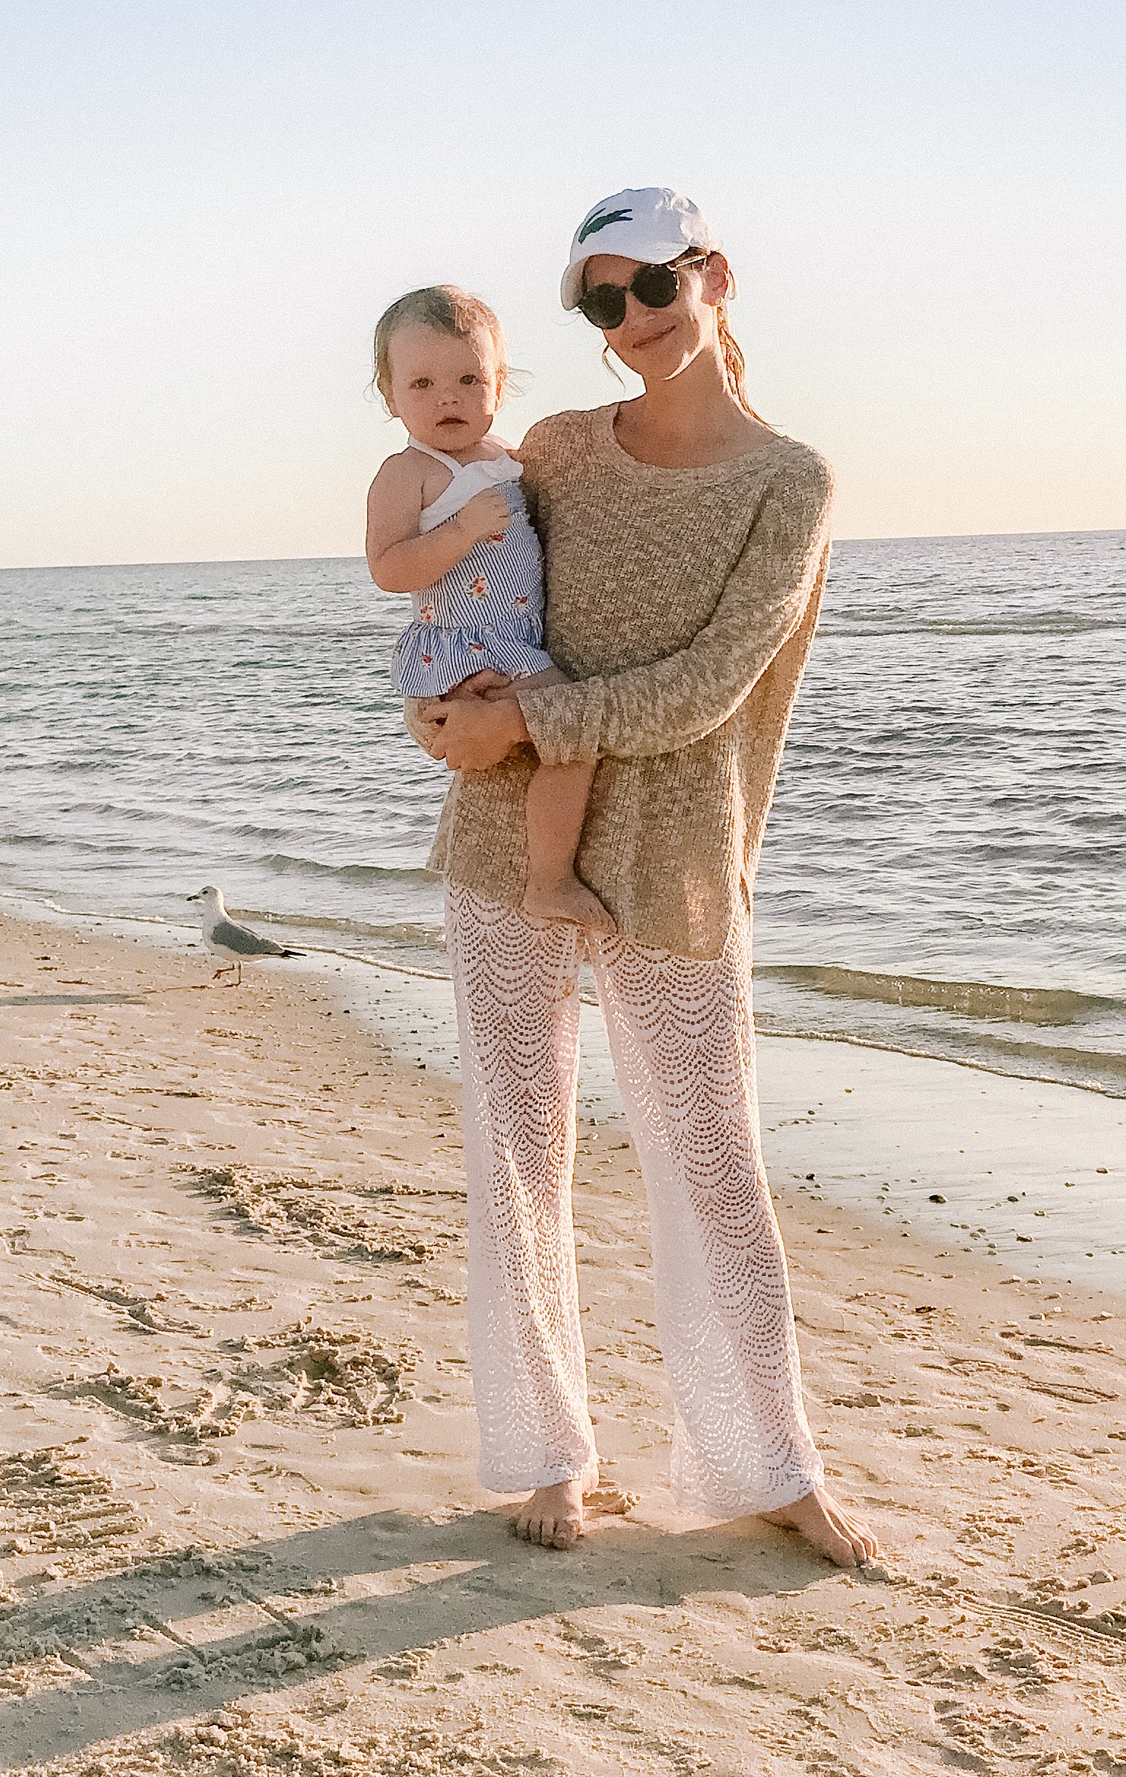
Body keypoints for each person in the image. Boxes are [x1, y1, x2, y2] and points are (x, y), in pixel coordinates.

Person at [414, 187, 878, 1568]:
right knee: (519, 1156)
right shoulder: (552, 449)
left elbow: (708, 686)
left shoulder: (787, 480)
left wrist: (526, 724)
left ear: (712, 277)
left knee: (715, 1168)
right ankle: (549, 1455)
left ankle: (768, 1464)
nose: (630, 325)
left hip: (675, 856)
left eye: (650, 290)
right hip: (507, 839)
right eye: (598, 304)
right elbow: (477, 599)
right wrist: (443, 713)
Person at [366, 286, 610, 932]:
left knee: (549, 735)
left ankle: (545, 863)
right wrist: (461, 531)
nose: (447, 396)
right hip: (464, 642)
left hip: (511, 640)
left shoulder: (507, 459)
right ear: (390, 397)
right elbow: (388, 568)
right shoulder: (408, 472)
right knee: (571, 731)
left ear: (500, 385)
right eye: (421, 382)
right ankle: (549, 880)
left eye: (468, 378)